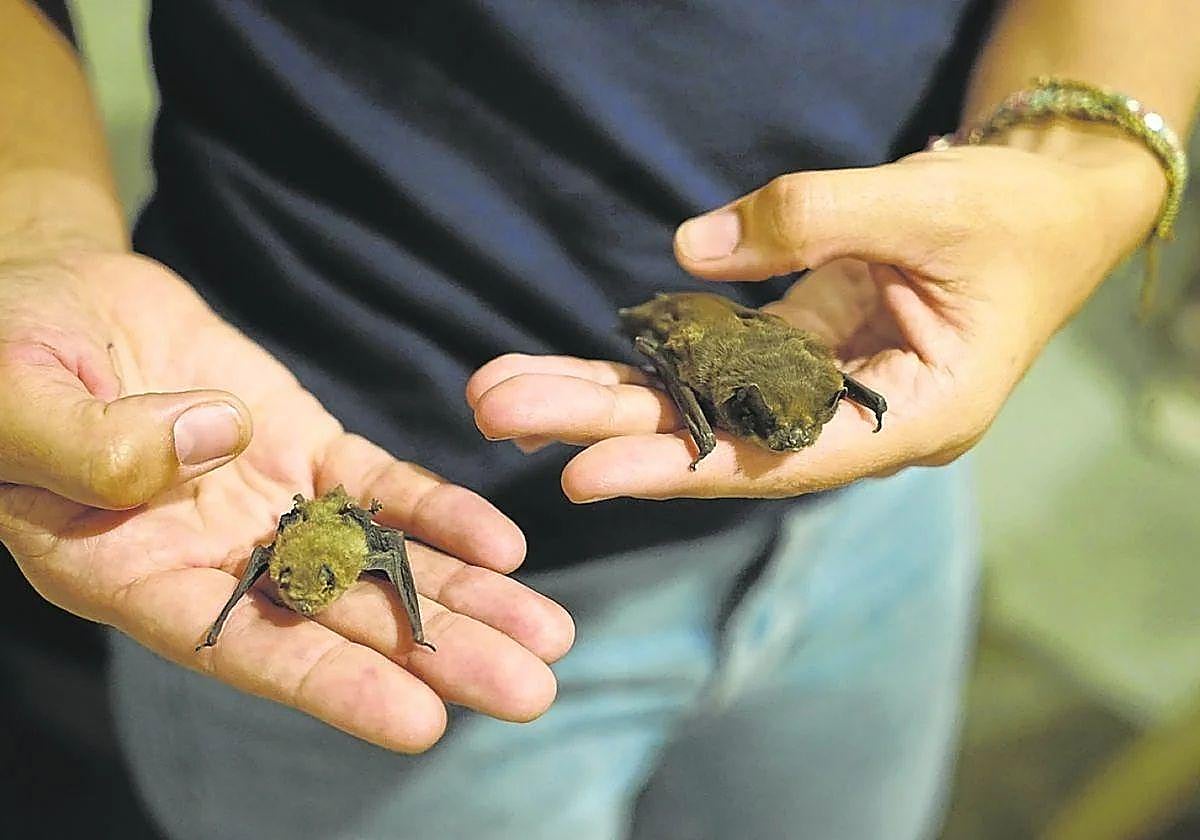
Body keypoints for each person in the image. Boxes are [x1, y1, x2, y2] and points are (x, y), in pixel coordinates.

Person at [1, 1, 1196, 838]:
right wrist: (34, 232)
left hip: (871, 487)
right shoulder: (305, 562)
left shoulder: (791, 392)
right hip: (293, 445)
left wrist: (1076, 163)